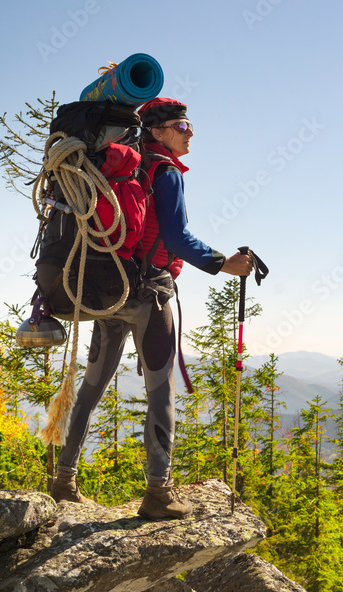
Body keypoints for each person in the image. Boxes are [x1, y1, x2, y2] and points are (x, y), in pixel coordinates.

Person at [50, 97, 253, 519]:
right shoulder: (165, 172)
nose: (190, 133)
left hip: (112, 288)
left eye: (188, 125)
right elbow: (177, 238)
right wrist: (224, 264)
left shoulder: (127, 168)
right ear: (158, 132)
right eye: (182, 126)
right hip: (150, 294)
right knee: (161, 393)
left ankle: (64, 480)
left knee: (91, 388)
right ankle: (159, 493)